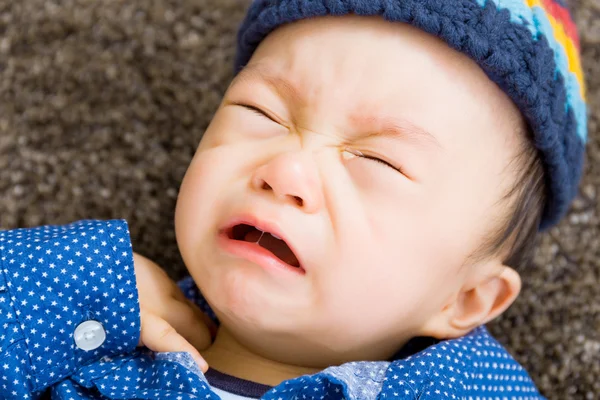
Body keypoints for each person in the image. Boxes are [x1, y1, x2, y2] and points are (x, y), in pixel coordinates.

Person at [0, 0, 587, 399]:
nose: (286, 171)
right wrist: (66, 285)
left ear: (468, 298)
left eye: (378, 160)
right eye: (262, 113)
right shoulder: (90, 331)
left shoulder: (469, 387)